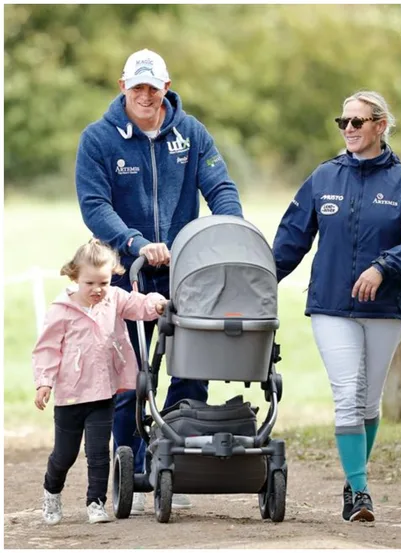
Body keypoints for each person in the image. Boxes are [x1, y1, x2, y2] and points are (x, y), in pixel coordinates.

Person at [75, 48, 243, 514]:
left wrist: (231, 231)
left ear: (166, 87)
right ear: (122, 87)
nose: (145, 96)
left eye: (153, 87)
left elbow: (221, 188)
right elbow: (94, 204)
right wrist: (133, 242)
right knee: (130, 376)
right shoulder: (98, 140)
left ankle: (173, 461)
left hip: (187, 273)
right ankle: (127, 467)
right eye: (137, 88)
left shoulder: (191, 134)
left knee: (192, 368)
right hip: (127, 274)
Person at [273, 90, 401, 522]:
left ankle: (353, 479)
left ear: (380, 126)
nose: (348, 129)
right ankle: (361, 494)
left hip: (385, 309)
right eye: (342, 122)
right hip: (330, 306)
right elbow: (291, 239)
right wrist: (258, 280)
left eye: (357, 122)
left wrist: (384, 267)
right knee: (347, 395)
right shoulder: (324, 177)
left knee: (367, 402)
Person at [33, 239, 167, 525]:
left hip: (103, 393)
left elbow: (138, 304)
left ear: (112, 277)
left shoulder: (114, 298)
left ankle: (96, 502)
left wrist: (155, 303)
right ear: (75, 278)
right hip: (70, 397)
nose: (97, 290)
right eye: (89, 283)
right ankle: (51, 491)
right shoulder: (62, 309)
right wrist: (44, 382)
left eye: (103, 282)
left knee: (98, 453)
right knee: (64, 455)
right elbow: (47, 349)